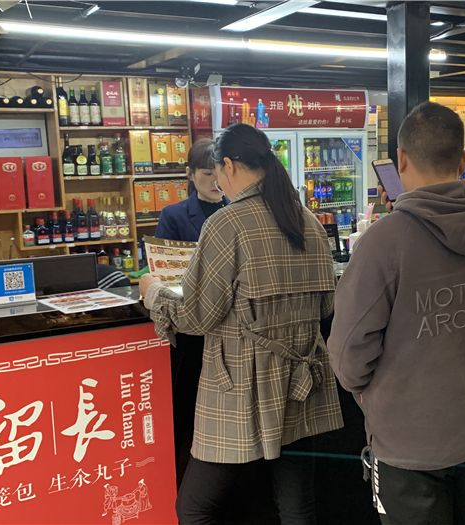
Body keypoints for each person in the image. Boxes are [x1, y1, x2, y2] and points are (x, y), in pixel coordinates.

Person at [139, 123, 343, 525]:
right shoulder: (308, 221)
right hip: (304, 383)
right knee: (297, 507)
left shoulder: (226, 224)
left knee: (194, 508)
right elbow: (326, 306)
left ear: (229, 165)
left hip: (242, 387)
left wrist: (153, 292)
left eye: (218, 172)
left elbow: (194, 316)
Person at [328, 101, 465, 525]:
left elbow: (349, 352)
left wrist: (364, 392)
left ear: (402, 160)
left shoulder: (385, 242)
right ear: (464, 160)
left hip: (408, 444)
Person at [154, 138, 229, 488]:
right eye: (205, 173)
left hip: (228, 326)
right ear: (190, 174)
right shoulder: (174, 215)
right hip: (190, 326)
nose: (214, 180)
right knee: (187, 405)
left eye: (219, 172)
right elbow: (162, 271)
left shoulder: (236, 211)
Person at [156, 138, 227, 243]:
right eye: (208, 173)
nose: (216, 181)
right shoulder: (172, 215)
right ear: (190, 174)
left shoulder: (241, 211)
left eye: (223, 173)